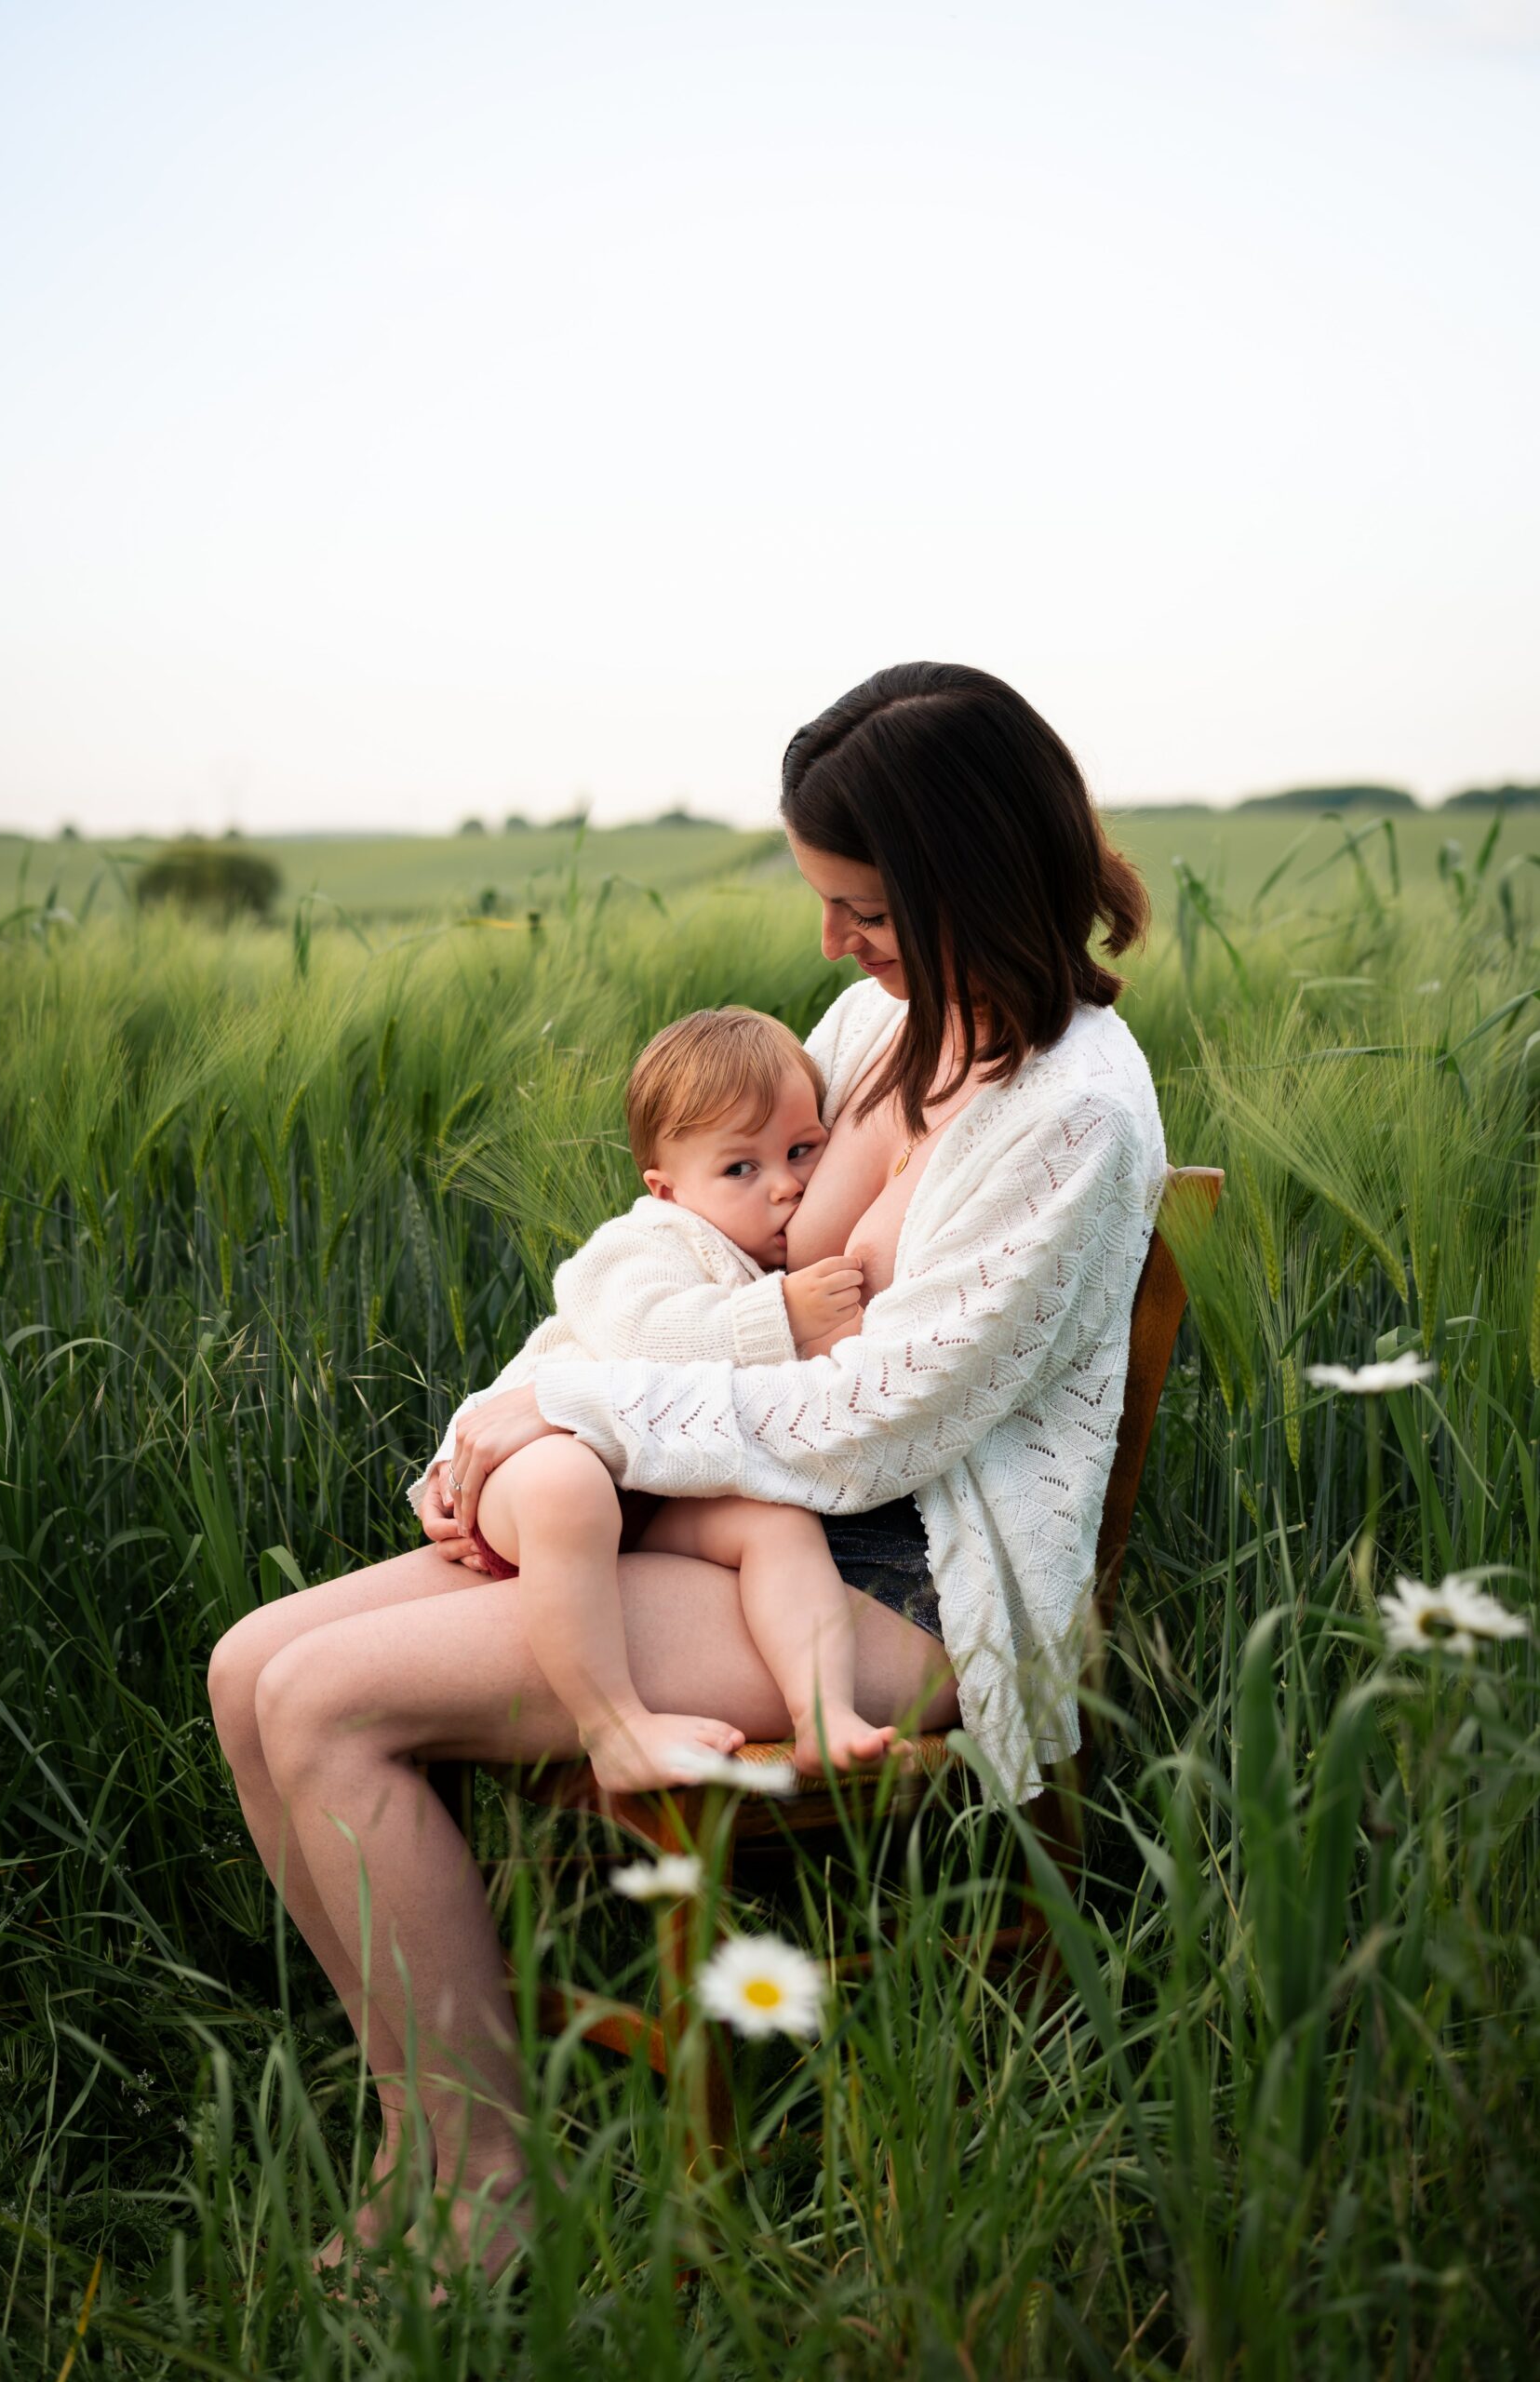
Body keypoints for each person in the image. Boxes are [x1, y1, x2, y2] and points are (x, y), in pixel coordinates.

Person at [206, 661, 1167, 2284]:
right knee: (249, 1669)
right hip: (735, 1514)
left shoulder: (1071, 1118)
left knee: (326, 1704)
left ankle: (486, 2186)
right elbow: (686, 1265)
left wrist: (574, 1421)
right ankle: (420, 2139)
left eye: (858, 904)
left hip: (896, 1580)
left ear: (962, 881)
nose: (828, 945)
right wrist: (505, 1418)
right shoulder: (878, 1028)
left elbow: (879, 1425)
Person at [409, 1003, 900, 1787]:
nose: (784, 1187)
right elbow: (642, 1336)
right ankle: (614, 1729)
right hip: (534, 1470)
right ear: (665, 1189)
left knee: (775, 1524)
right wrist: (780, 1316)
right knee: (569, 1487)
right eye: (740, 1168)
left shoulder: (770, 1253)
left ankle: (822, 1713)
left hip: (654, 1492)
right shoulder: (643, 1244)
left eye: (803, 1151)